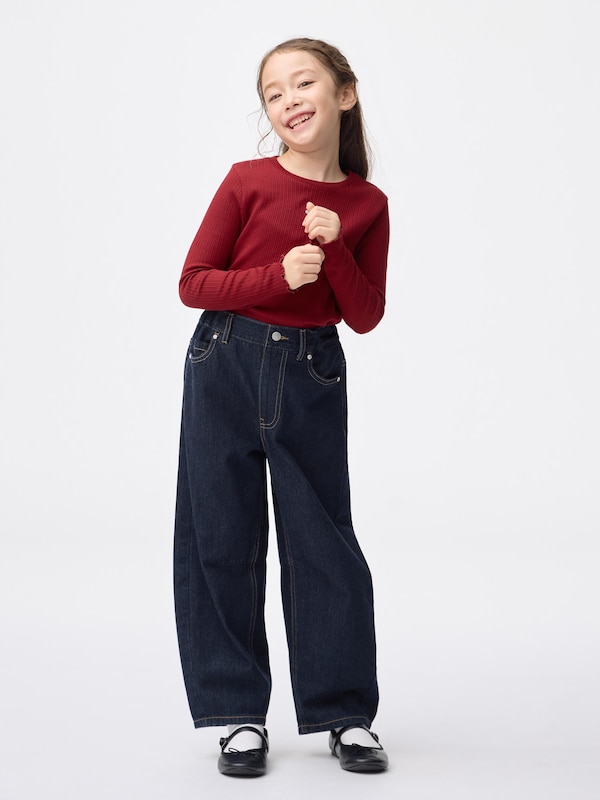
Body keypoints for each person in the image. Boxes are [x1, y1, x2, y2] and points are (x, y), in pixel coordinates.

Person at [173, 36, 390, 777]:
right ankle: (237, 713)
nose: (289, 100)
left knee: (323, 542)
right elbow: (193, 283)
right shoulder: (247, 181)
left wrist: (338, 251)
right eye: (274, 93)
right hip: (224, 361)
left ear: (344, 94)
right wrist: (277, 274)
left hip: (310, 371)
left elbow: (366, 315)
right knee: (220, 533)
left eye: (304, 84)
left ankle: (345, 713)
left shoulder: (366, 204)